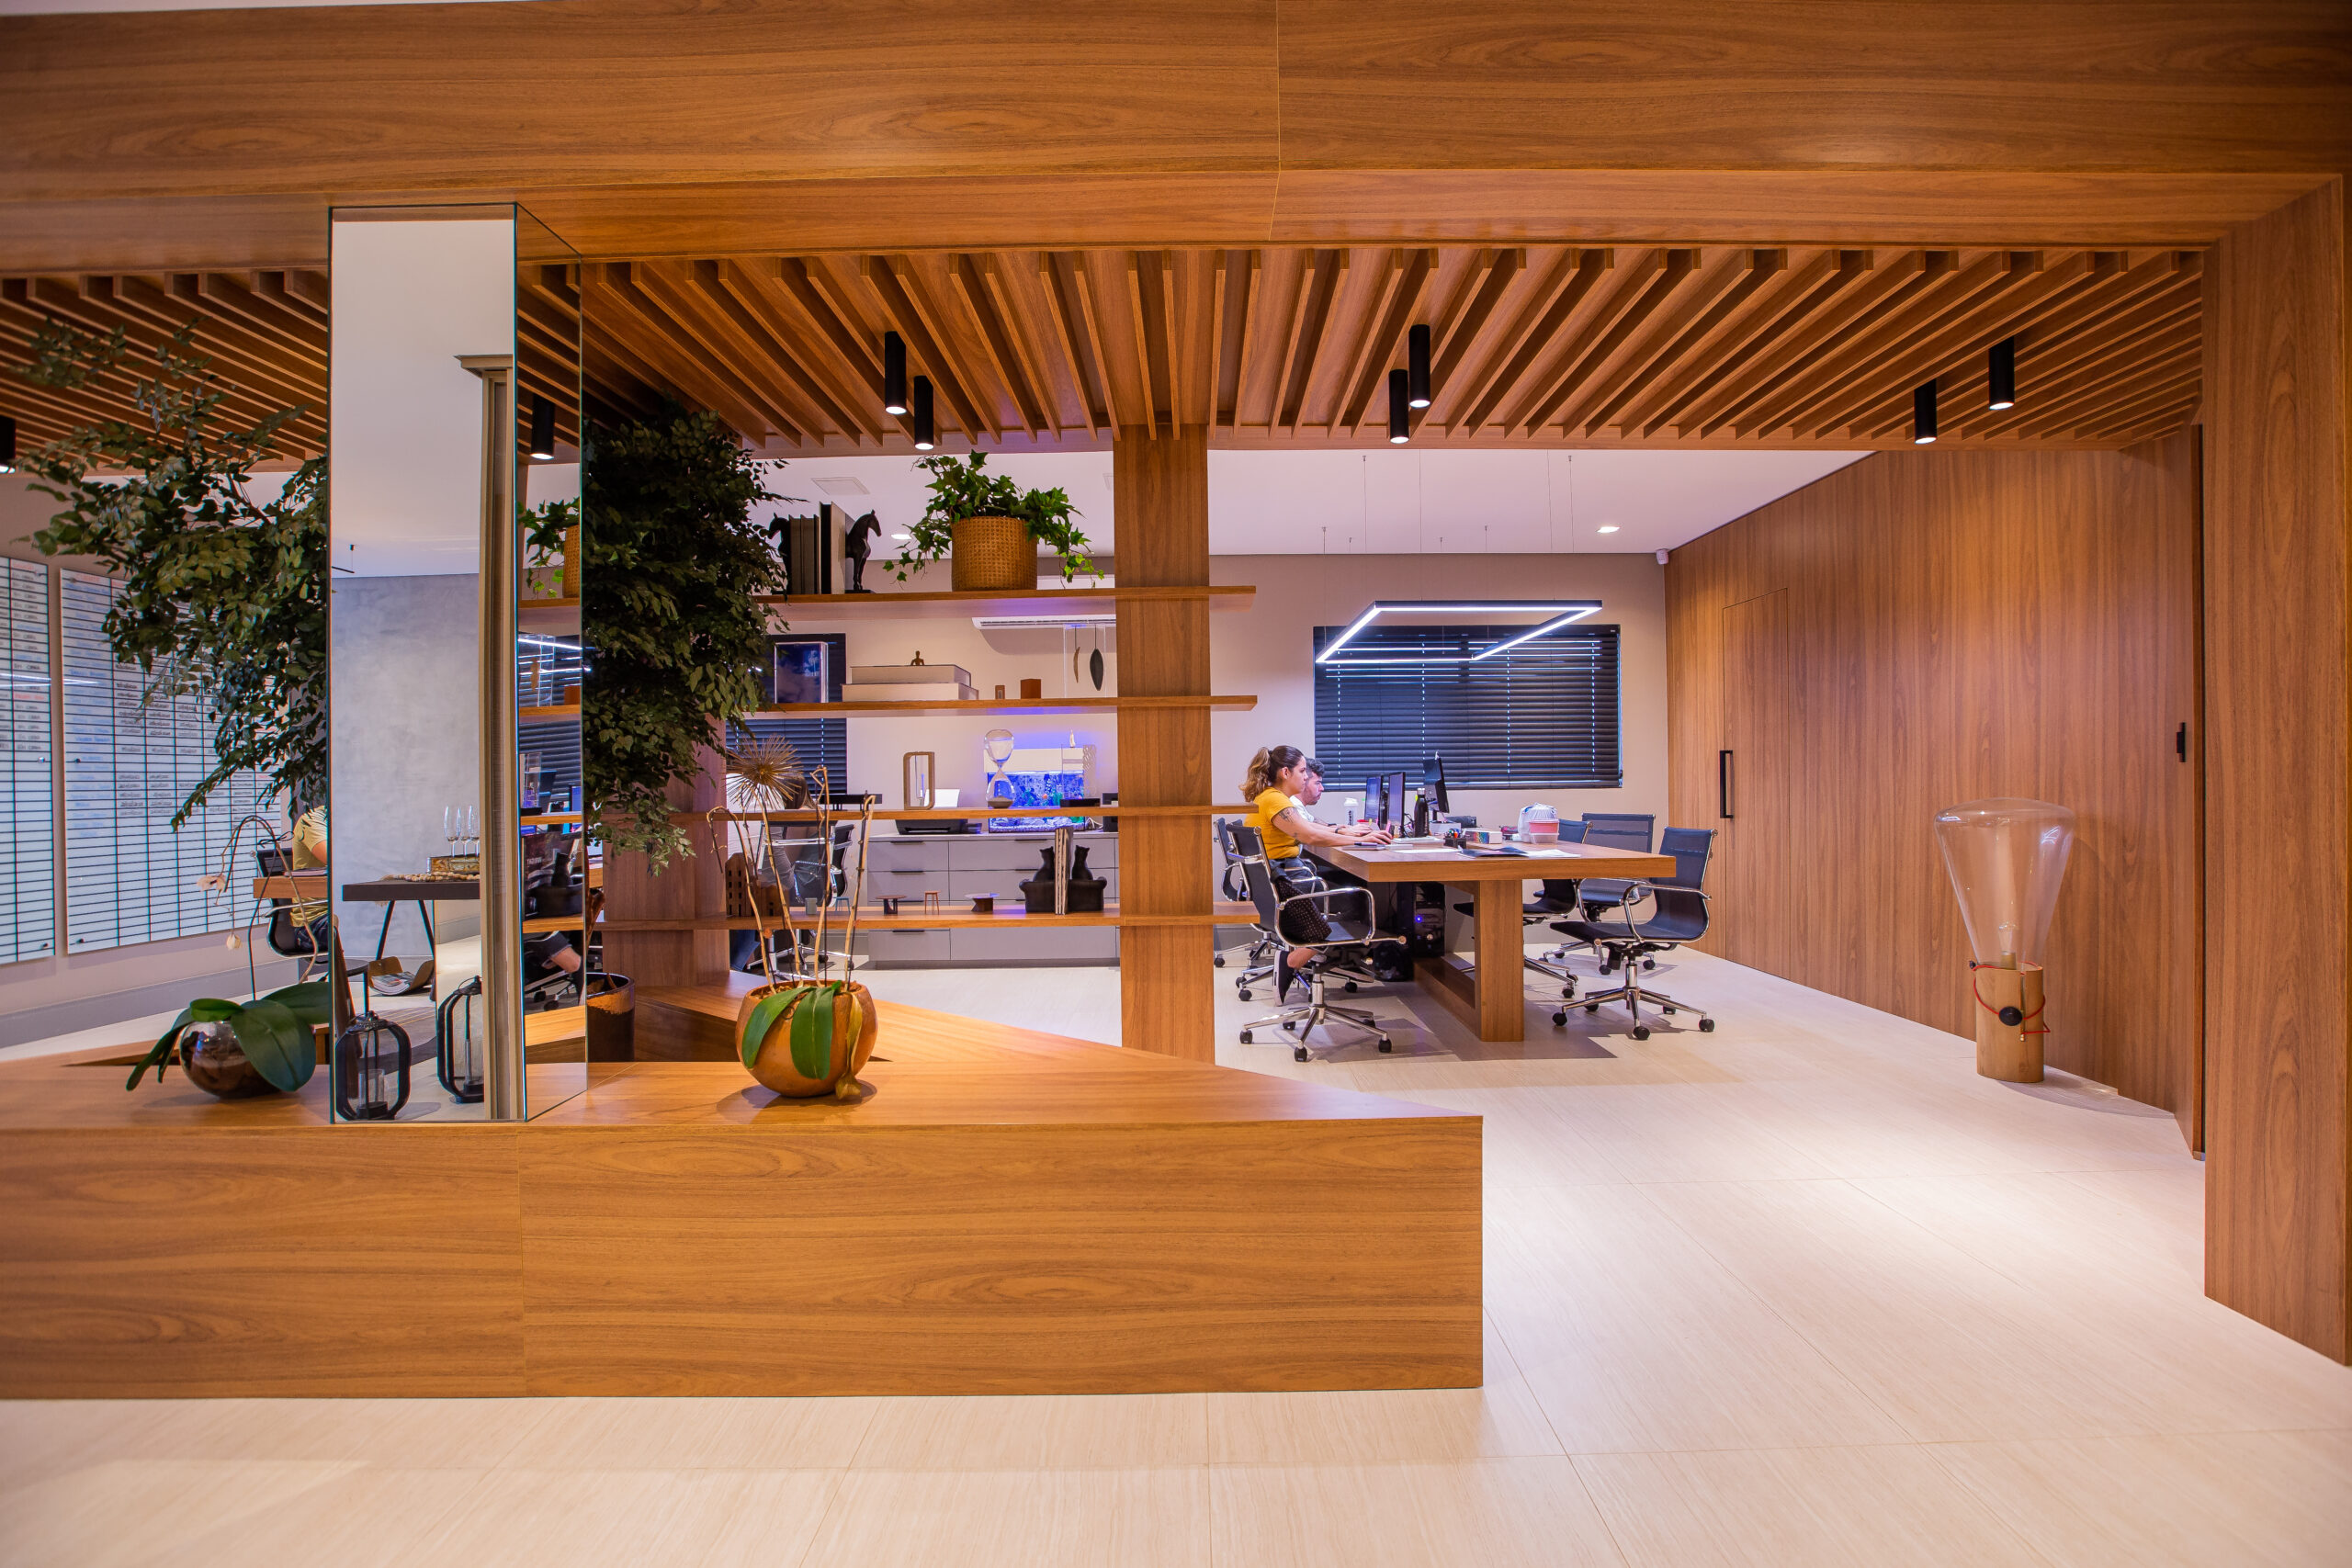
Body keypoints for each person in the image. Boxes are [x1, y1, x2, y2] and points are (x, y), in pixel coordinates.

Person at [1240, 746, 1391, 996]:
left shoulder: (1270, 797)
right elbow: (1309, 835)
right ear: (1286, 773)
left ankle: (1321, 954)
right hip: (1288, 884)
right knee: (1361, 900)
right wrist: (1360, 841)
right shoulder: (1275, 800)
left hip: (1280, 881)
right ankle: (1297, 958)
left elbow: (1309, 828)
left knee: (1349, 887)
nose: (1306, 776)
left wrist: (1349, 833)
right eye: (1302, 771)